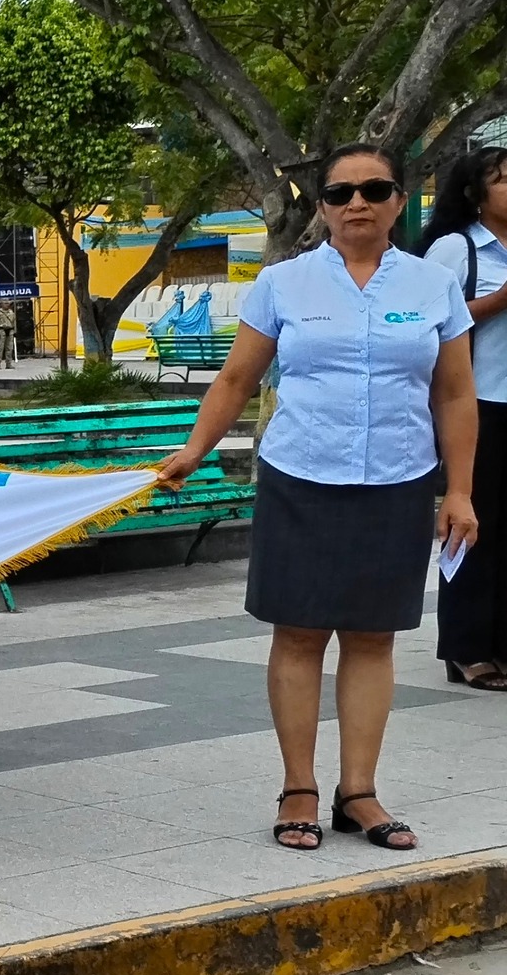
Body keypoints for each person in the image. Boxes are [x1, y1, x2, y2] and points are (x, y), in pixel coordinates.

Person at [161, 142, 477, 854]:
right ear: (324, 207)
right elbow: (237, 379)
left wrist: (458, 490)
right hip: (302, 477)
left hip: (397, 481)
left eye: (374, 189)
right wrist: (194, 449)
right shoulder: (284, 283)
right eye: (340, 194)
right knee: (299, 635)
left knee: (373, 638)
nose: (356, 203)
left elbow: (455, 393)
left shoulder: (432, 287)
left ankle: (358, 792)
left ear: (400, 199)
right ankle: (298, 787)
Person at [424, 147, 507, 689]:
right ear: (476, 193)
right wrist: (501, 299)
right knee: (476, 524)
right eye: (504, 180)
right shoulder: (457, 248)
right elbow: (429, 317)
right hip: (480, 403)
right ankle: (467, 647)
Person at [0, 300, 19, 368]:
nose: (7, 305)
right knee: (0, 348)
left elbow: (14, 322)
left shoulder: (11, 312)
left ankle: (8, 363)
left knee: (9, 348)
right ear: (2, 304)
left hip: (10, 330)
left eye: (8, 303)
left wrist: (15, 331)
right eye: (5, 303)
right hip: (1, 330)